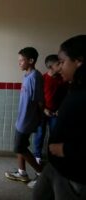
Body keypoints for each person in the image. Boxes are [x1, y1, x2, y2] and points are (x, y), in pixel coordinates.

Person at [33, 35, 86, 200]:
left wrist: (66, 150)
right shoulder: (75, 86)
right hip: (56, 166)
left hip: (75, 175)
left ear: (79, 61)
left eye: (62, 62)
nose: (59, 67)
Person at [5, 47, 43, 185]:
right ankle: (22, 173)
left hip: (28, 119)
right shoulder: (26, 75)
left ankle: (41, 174)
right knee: (19, 145)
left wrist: (38, 120)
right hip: (22, 118)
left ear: (31, 61)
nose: (19, 63)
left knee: (19, 147)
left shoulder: (35, 77)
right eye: (19, 60)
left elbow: (39, 102)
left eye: (22, 60)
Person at [32, 55, 67, 165]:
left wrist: (60, 110)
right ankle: (37, 156)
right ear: (50, 66)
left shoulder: (63, 80)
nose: (61, 66)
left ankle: (52, 157)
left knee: (54, 135)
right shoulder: (42, 79)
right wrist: (44, 110)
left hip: (56, 113)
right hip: (42, 112)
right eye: (58, 64)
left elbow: (65, 96)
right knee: (40, 134)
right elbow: (36, 97)